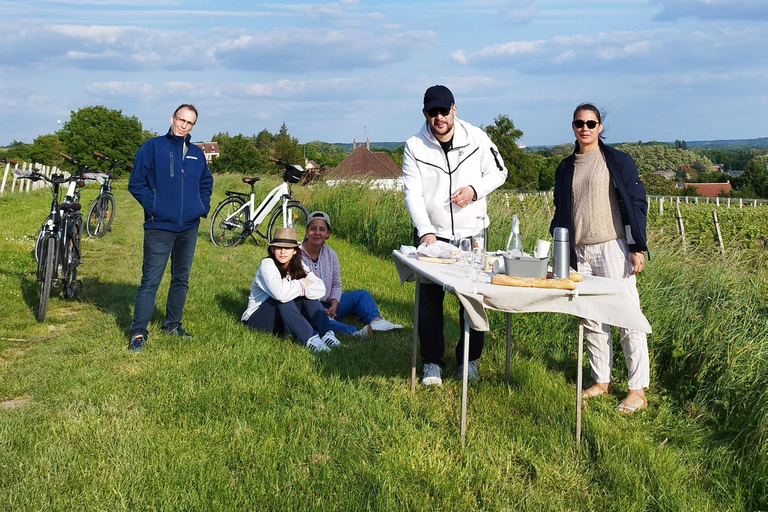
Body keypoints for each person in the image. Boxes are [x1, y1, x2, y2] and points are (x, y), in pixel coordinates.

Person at [401, 85, 508, 385]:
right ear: (425, 113)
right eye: (433, 112)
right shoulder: (414, 146)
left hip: (472, 233)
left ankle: (469, 361)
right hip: (431, 236)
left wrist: (474, 191)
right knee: (429, 302)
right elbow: (413, 193)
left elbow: (500, 172)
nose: (439, 118)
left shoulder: (476, 137)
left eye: (444, 111)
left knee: (472, 301)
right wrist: (426, 233)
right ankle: (432, 362)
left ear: (454, 109)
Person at [550, 102, 650, 414]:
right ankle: (601, 381)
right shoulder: (566, 167)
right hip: (580, 251)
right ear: (573, 127)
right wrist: (560, 254)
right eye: (579, 123)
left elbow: (636, 204)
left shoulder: (618, 162)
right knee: (592, 319)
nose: (585, 128)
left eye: (591, 123)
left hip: (612, 247)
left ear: (600, 127)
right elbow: (560, 211)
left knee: (627, 317)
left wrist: (637, 246)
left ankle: (637, 389)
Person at [127, 104, 213, 352]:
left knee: (181, 278)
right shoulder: (153, 147)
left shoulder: (197, 153)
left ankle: (172, 325)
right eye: (180, 119)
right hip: (159, 226)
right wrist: (153, 206)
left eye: (189, 122)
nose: (183, 125)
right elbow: (137, 183)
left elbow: (206, 182)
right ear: (172, 118)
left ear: (193, 126)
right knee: (150, 281)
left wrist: (201, 207)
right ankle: (138, 334)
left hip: (189, 227)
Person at [300, 211, 404, 338]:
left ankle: (376, 322)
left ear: (328, 233)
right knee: (317, 319)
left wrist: (334, 304)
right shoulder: (296, 254)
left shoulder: (330, 254)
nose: (317, 233)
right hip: (309, 305)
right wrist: (320, 309)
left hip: (330, 302)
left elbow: (336, 284)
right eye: (313, 229)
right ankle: (353, 332)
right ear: (306, 231)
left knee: (361, 295)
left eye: (322, 229)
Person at [241, 227, 340, 352]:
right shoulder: (267, 265)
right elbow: (280, 294)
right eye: (278, 247)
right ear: (272, 249)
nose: (283, 251)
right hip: (258, 320)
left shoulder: (298, 264)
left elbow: (320, 289)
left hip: (281, 320)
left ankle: (327, 334)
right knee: (283, 298)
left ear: (294, 251)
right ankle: (311, 339)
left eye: (287, 248)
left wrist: (302, 289)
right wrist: (301, 284)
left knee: (308, 297)